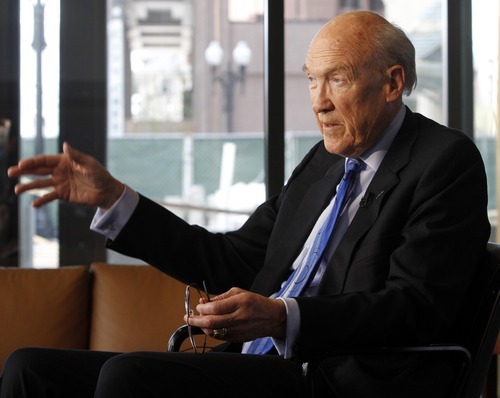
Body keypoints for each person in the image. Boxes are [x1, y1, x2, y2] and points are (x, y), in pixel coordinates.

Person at [0, 10, 491, 398]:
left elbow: (415, 307)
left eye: (337, 79)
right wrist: (117, 200)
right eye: (311, 79)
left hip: (334, 379)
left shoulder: (445, 162)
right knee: (31, 369)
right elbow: (231, 259)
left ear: (392, 83)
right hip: (258, 364)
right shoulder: (322, 163)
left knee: (131, 378)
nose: (317, 102)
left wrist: (284, 317)